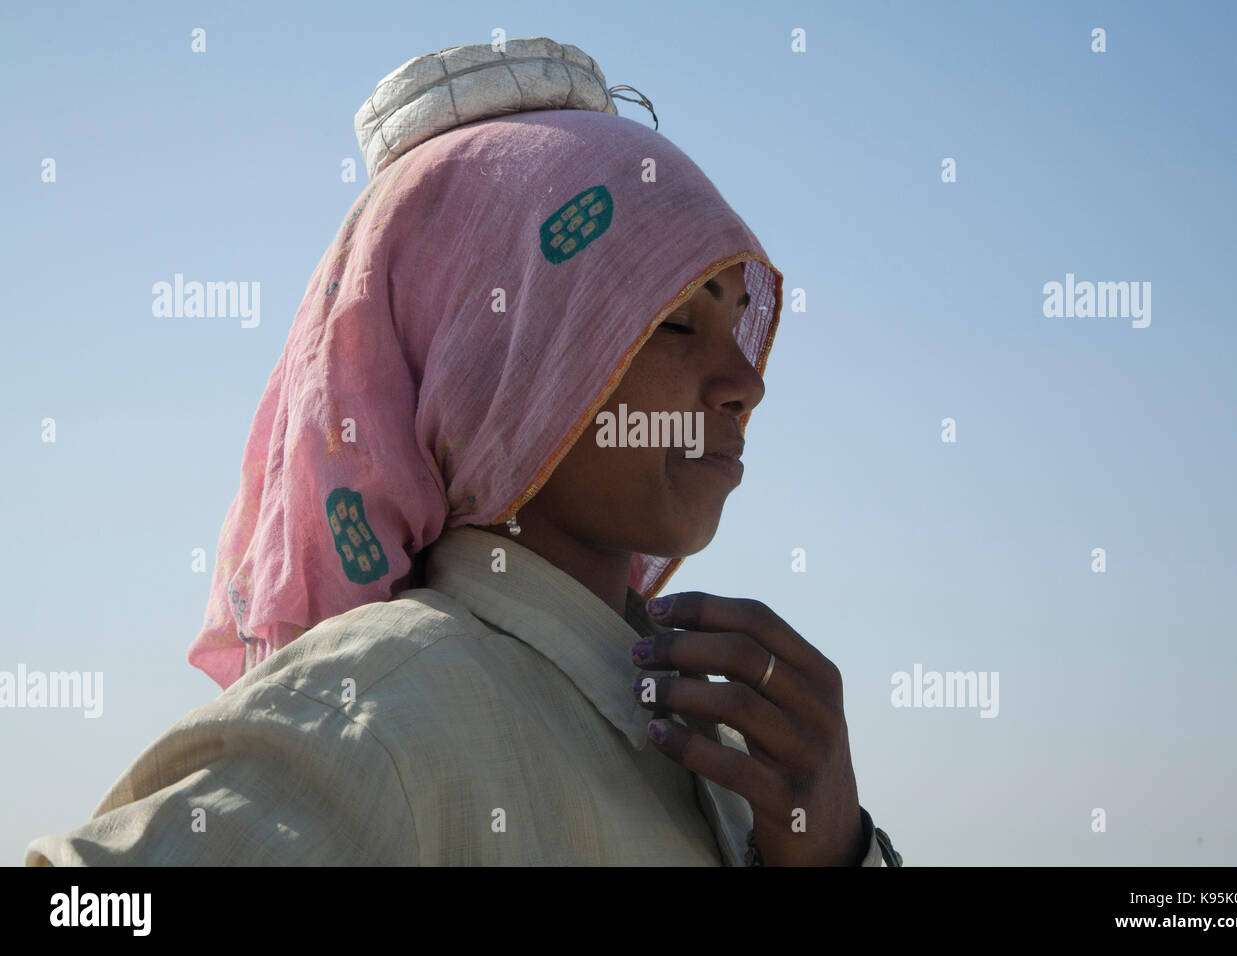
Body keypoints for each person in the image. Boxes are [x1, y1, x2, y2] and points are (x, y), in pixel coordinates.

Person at [24, 103, 901, 866]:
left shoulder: (725, 740)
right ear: (495, 367)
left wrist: (838, 850)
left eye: (734, 319)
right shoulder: (385, 712)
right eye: (672, 320)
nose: (744, 383)